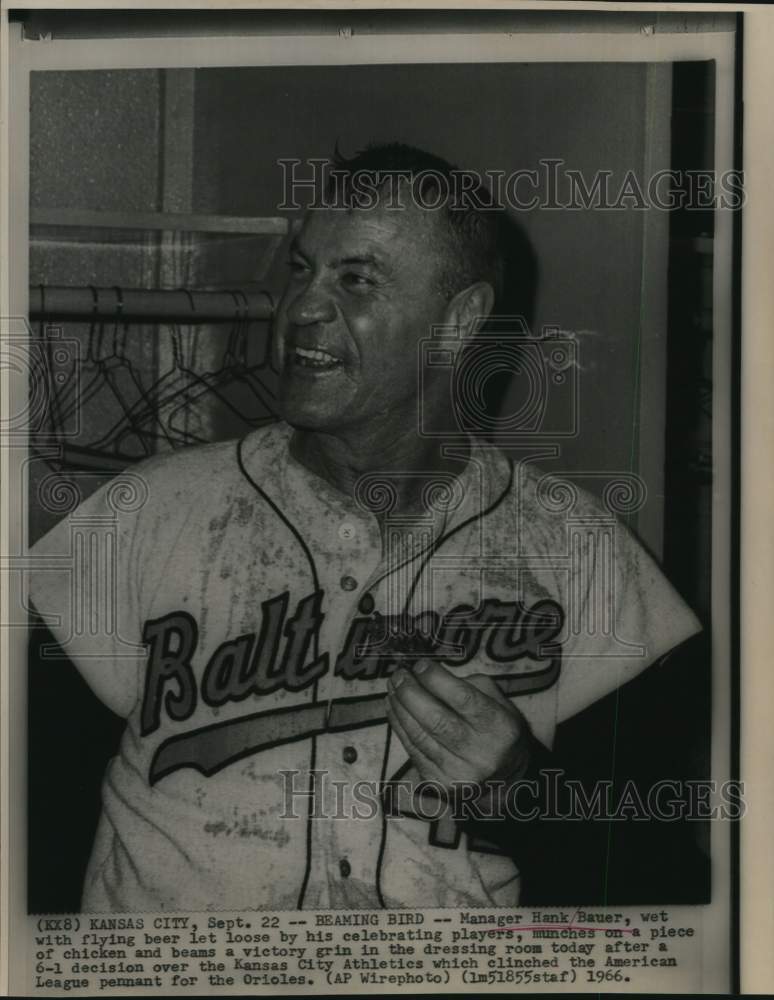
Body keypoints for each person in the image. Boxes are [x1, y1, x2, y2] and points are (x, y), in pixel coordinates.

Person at [28, 142, 703, 912]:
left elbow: (658, 876)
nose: (302, 309)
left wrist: (523, 795)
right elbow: (29, 809)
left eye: (355, 280)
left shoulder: (578, 551)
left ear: (460, 321)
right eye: (300, 270)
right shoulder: (145, 515)